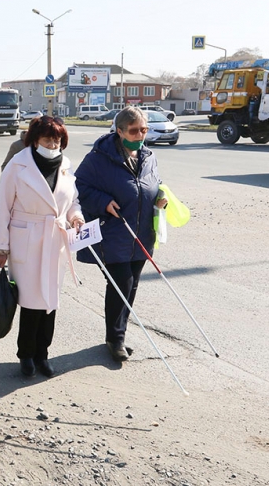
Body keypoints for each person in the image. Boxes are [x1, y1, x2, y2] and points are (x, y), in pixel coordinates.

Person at [74, 106, 167, 362]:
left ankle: (119, 335)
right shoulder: (98, 158)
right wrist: (103, 201)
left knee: (132, 285)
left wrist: (161, 196)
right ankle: (115, 339)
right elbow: (78, 186)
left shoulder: (148, 156)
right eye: (135, 131)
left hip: (140, 233)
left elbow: (155, 183)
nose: (140, 135)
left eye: (144, 130)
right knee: (120, 283)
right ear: (120, 131)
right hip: (113, 233)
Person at [0, 116, 84, 378]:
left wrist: (76, 217)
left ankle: (43, 353)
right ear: (34, 140)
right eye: (48, 138)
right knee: (32, 302)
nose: (53, 143)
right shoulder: (17, 166)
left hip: (55, 241)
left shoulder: (66, 166)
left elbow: (73, 201)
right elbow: (3, 210)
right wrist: (1, 249)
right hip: (27, 238)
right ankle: (26, 355)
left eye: (57, 139)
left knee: (50, 302)